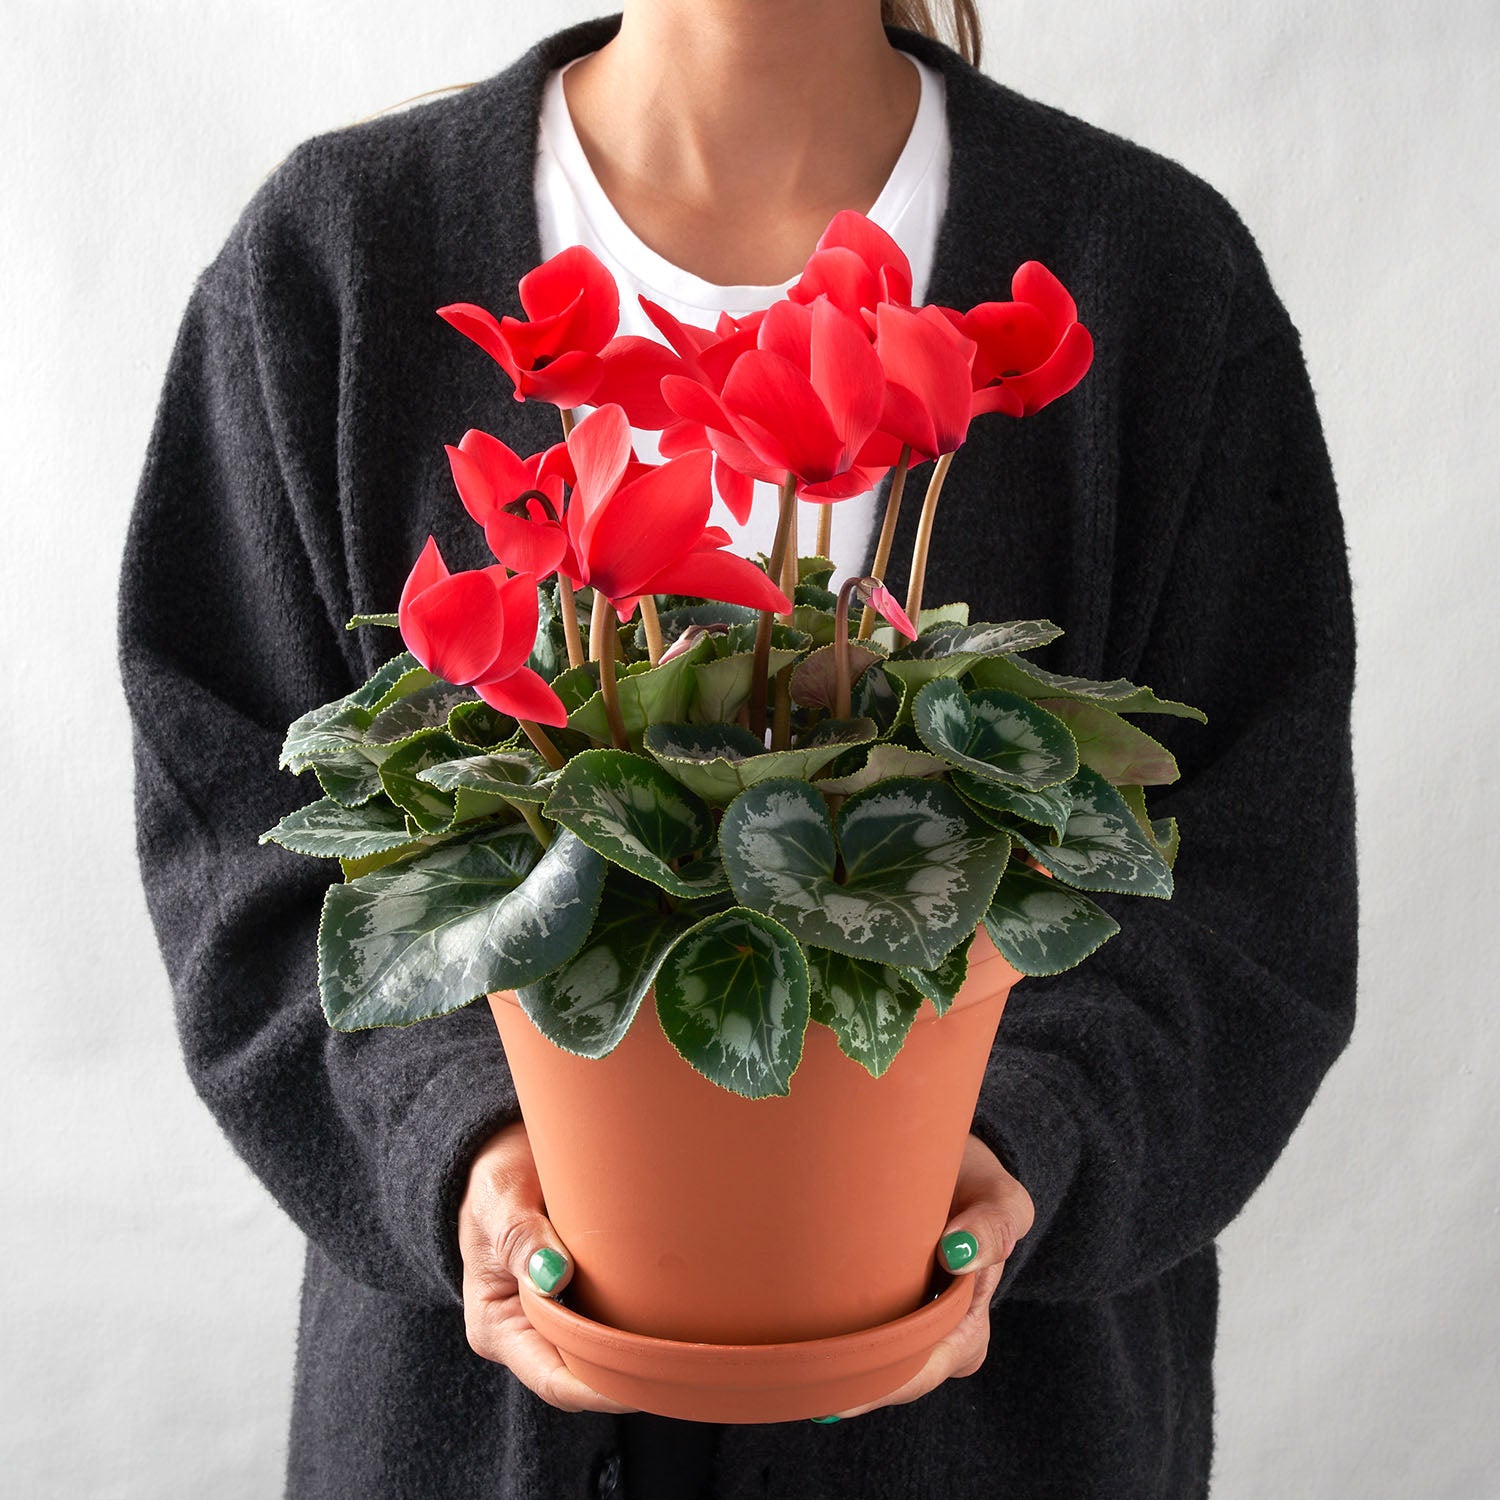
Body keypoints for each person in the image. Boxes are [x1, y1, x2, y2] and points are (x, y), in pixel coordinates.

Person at [118, 5, 1358, 1498]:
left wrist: (1030, 1150)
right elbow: (235, 840)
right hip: (479, 1440)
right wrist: (462, 1154)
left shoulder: (1159, 275)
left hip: (1006, 1437)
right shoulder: (334, 261)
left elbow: (1254, 893)